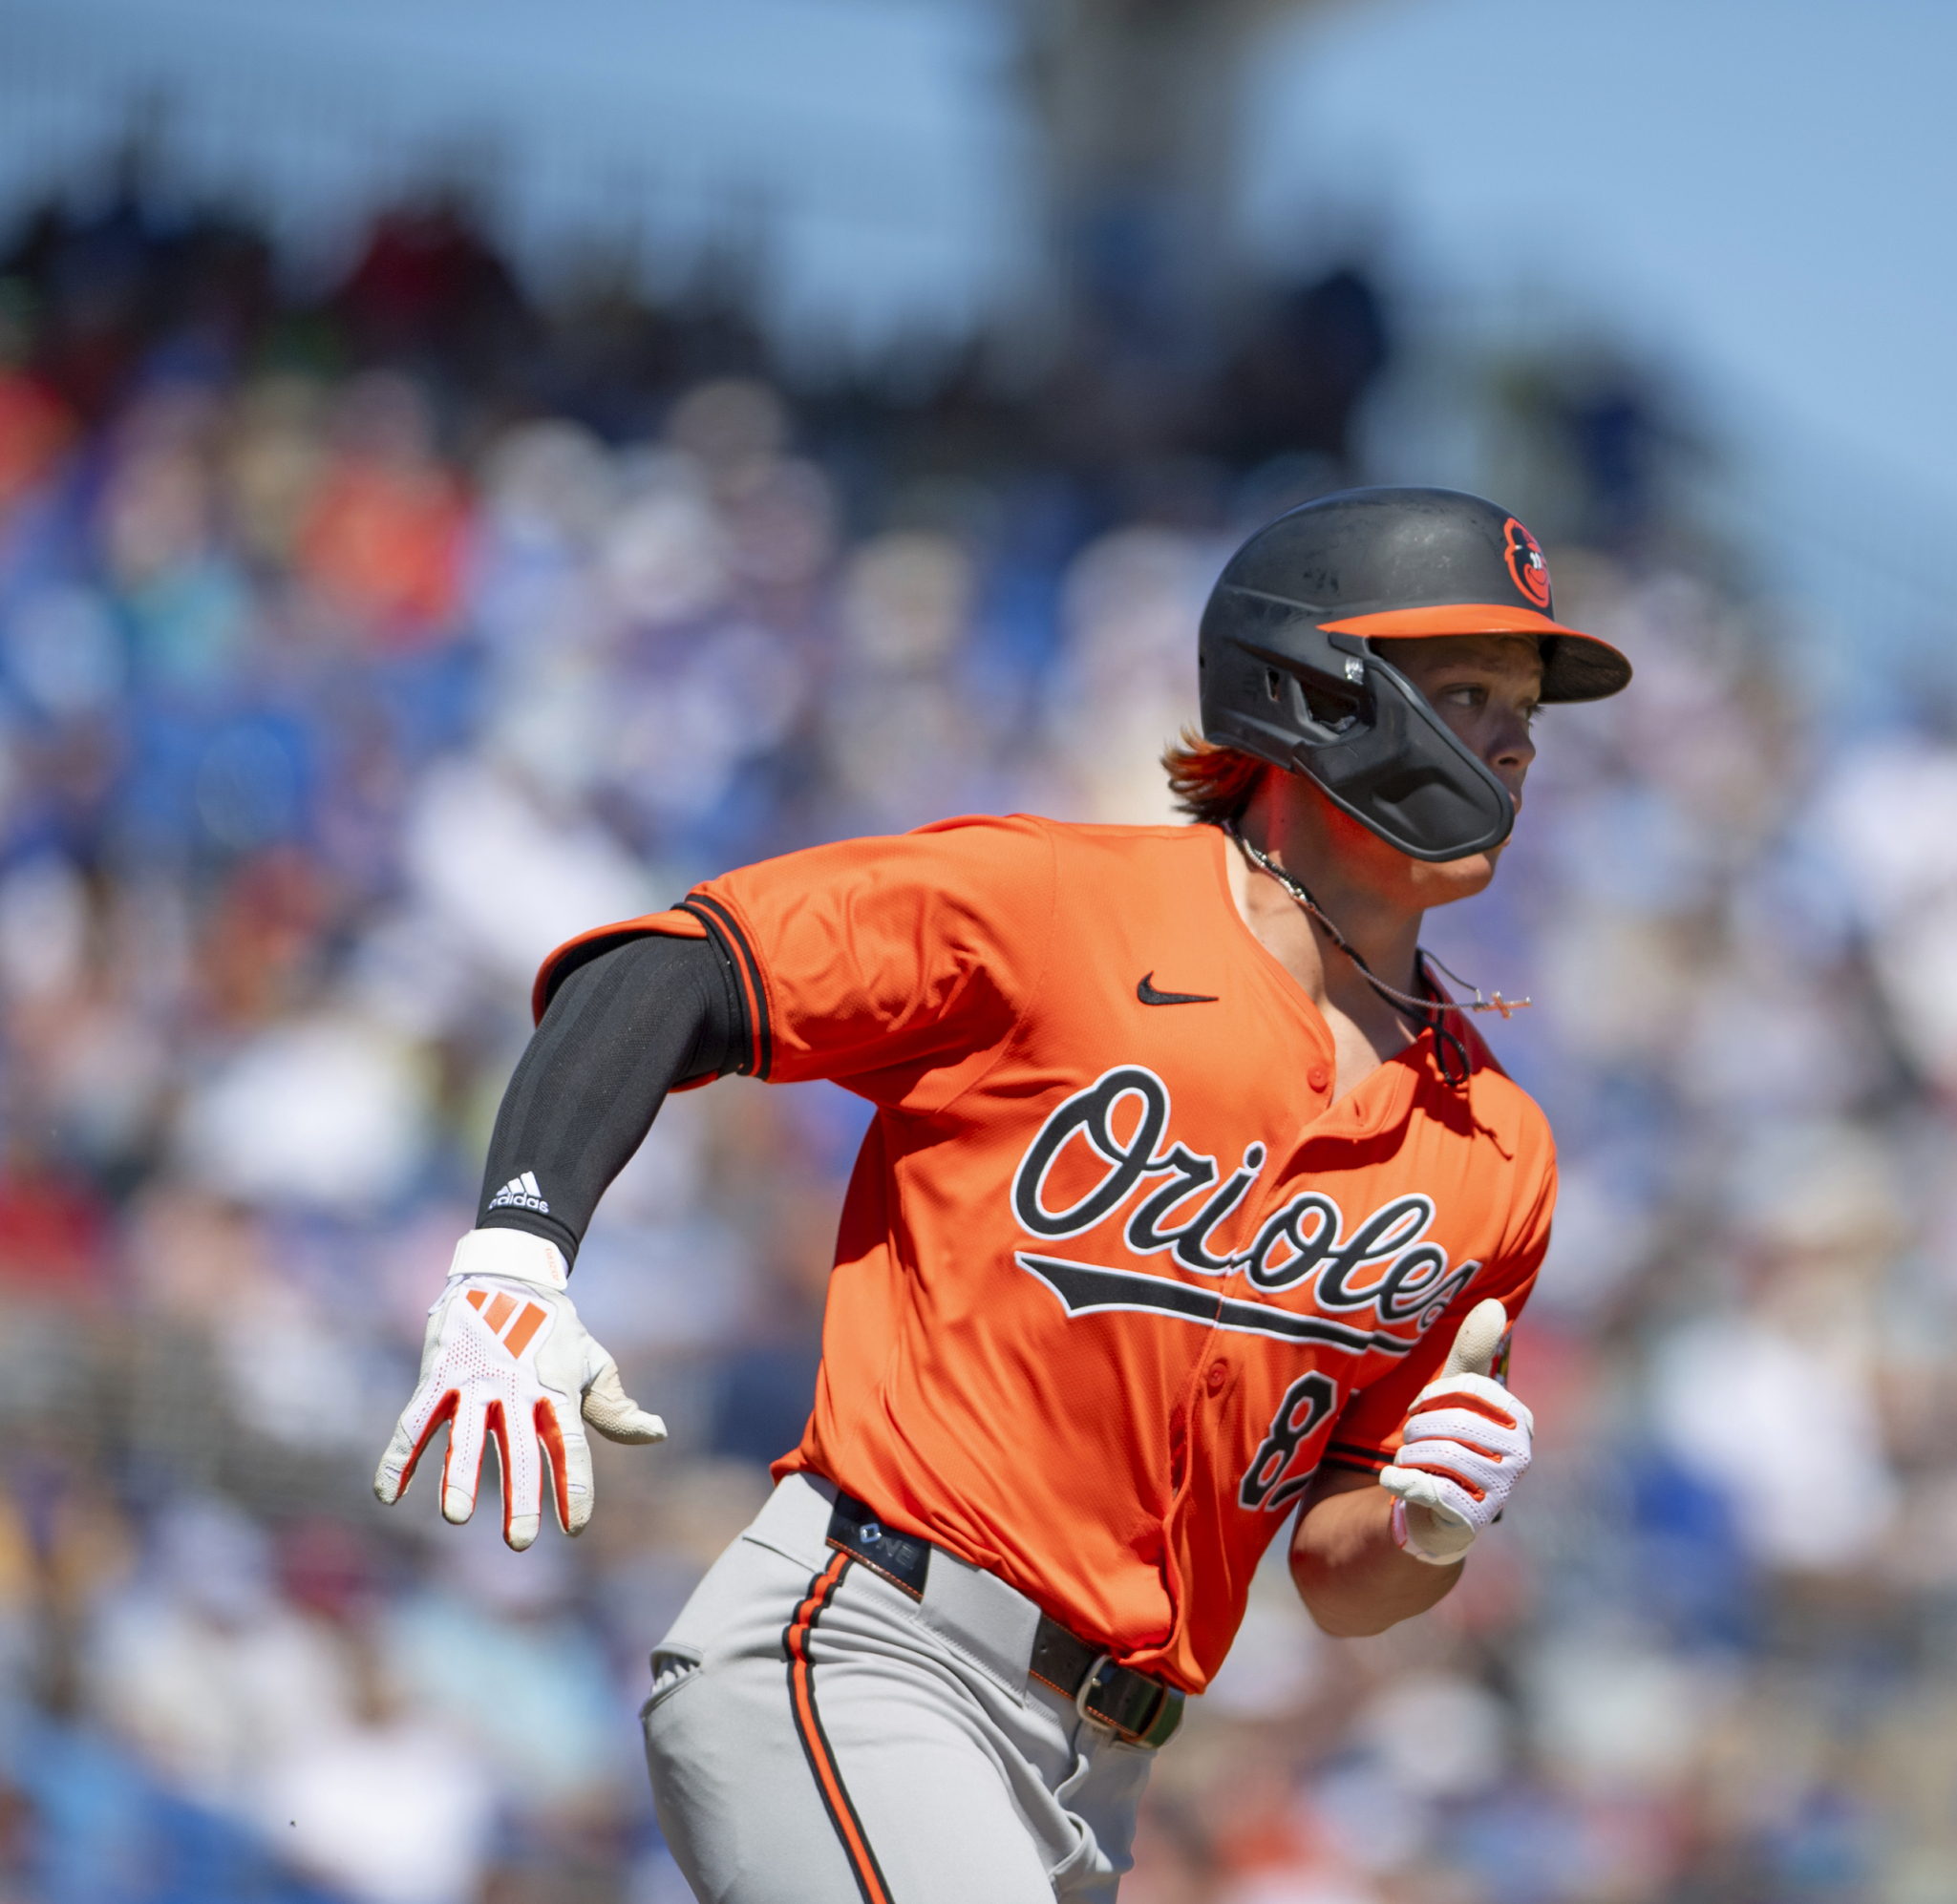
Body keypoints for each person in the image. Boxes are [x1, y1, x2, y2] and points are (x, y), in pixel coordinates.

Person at [371, 488, 1630, 1904]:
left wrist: (1427, 1523)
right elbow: (668, 973)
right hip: (869, 1647)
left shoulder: (1492, 1143)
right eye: (1468, 689)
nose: (1517, 737)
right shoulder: (1054, 910)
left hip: (1100, 1779)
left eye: (1526, 704)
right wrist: (519, 1249)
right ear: (1319, 689)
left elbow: (1342, 1572)